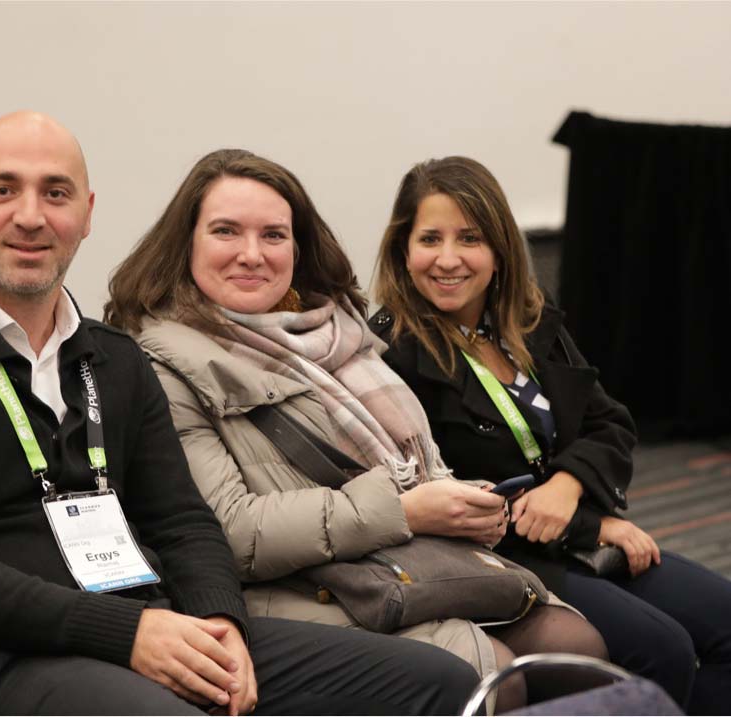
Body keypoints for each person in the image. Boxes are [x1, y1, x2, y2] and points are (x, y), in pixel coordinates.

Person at [0, 113, 482, 716]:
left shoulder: (111, 358)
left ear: (86, 214)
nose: (31, 216)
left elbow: (181, 519)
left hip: (149, 625)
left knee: (439, 681)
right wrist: (129, 633)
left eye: (56, 194)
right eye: (3, 191)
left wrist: (219, 619)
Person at [105, 148, 610, 713]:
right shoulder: (160, 361)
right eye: (227, 231)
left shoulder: (334, 328)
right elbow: (232, 534)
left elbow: (424, 464)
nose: (252, 254)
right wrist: (408, 510)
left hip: (392, 555)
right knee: (495, 674)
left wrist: (460, 506)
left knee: (578, 651)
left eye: (273, 235)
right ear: (187, 242)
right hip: (292, 585)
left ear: (297, 248)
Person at [370, 155, 731, 715]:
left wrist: (568, 484)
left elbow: (611, 423)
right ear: (402, 250)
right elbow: (450, 498)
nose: (447, 259)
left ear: (499, 251)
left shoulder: (527, 324)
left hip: (574, 529)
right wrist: (595, 522)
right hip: (501, 558)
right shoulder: (394, 357)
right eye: (429, 239)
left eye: (469, 238)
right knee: (664, 651)